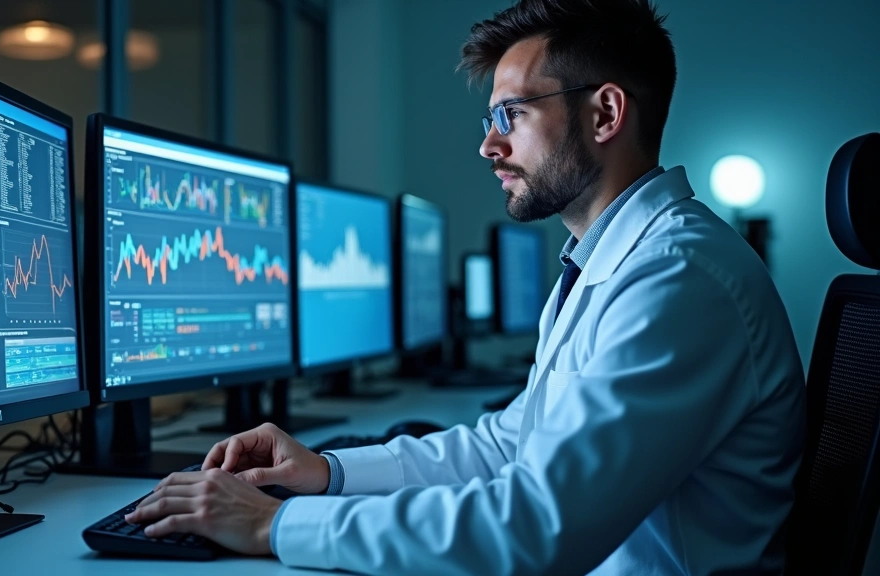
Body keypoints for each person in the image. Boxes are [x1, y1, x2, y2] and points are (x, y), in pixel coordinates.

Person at [124, 0, 806, 573]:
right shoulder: (610, 261)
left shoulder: (679, 280)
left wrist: (276, 526)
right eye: (491, 121)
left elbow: (537, 528)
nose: (489, 146)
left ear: (604, 115)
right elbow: (508, 445)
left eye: (512, 115)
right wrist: (326, 473)